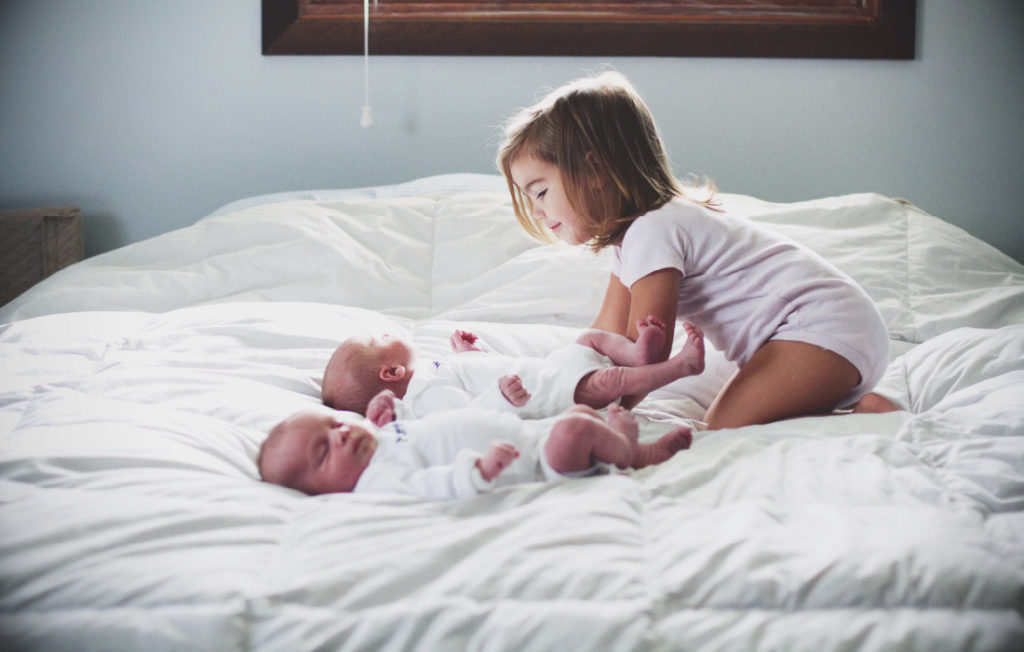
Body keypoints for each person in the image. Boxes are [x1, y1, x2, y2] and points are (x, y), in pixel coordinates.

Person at [496, 70, 890, 429]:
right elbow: (605, 333)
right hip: (836, 325)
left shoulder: (653, 231)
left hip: (821, 325)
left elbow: (646, 354)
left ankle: (864, 416)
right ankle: (852, 414)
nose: (538, 211)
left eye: (542, 192)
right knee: (745, 417)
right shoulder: (634, 240)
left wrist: (589, 411)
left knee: (725, 426)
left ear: (595, 170)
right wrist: (551, 381)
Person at [257, 403, 692, 498]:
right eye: (322, 451)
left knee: (577, 412)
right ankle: (636, 454)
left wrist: (392, 412)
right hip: (537, 466)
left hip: (528, 437)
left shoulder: (383, 439)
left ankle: (610, 442)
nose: (340, 435)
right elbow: (429, 484)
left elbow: (432, 428)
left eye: (334, 424)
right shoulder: (378, 481)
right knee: (574, 430)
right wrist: (478, 471)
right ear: (321, 489)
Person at [322, 318, 705, 425]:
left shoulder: (435, 369)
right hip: (544, 399)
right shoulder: (424, 395)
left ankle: (639, 355)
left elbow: (481, 375)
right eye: (378, 338)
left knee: (590, 338)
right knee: (609, 382)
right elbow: (470, 416)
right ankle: (679, 366)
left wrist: (472, 353)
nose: (386, 332)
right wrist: (502, 398)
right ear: (390, 372)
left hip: (547, 371)